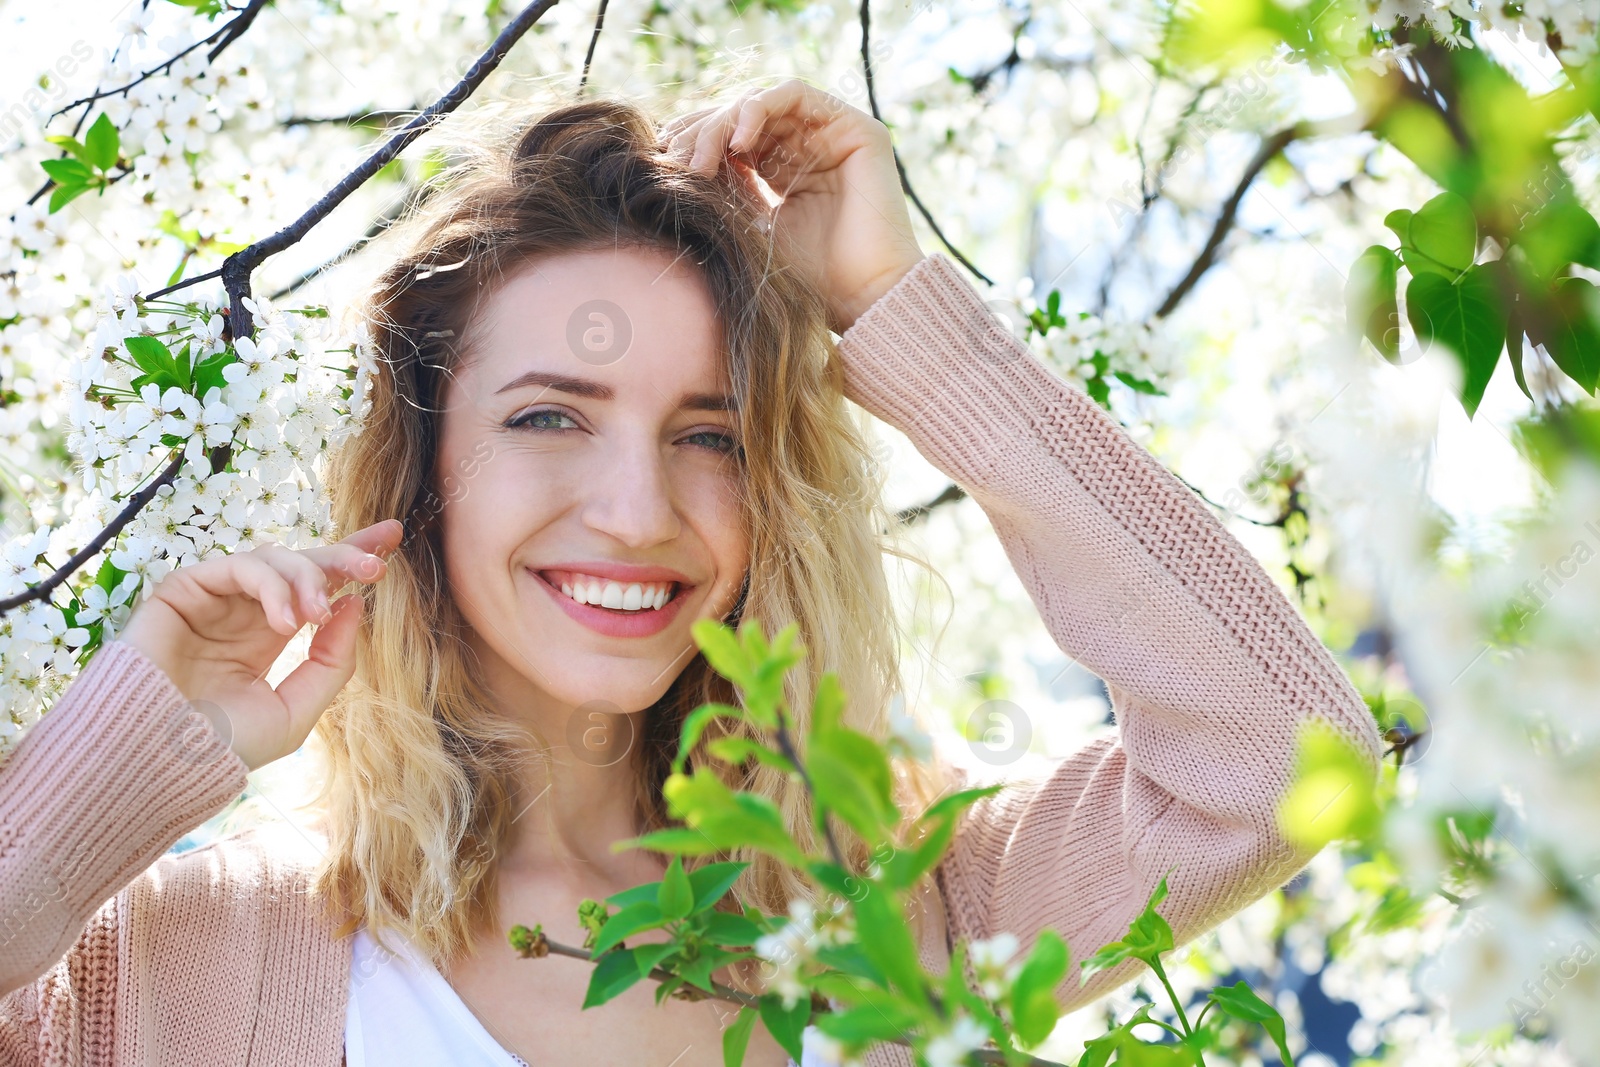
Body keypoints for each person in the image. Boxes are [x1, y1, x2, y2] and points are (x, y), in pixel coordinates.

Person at [0, 79, 1382, 1067]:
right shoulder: (173, 970)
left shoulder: (901, 916)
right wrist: (122, 756)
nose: (637, 507)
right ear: (417, 472)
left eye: (708, 434)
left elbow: (1283, 759)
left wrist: (895, 310)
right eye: (550, 415)